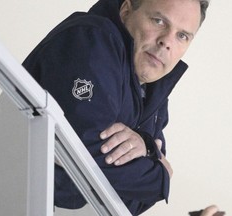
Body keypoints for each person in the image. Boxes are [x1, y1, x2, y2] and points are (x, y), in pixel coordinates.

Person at [22, 0, 209, 215]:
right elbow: (80, 149)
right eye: (159, 21)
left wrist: (147, 147)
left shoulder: (151, 89)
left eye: (182, 36)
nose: (166, 41)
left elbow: (133, 202)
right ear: (126, 11)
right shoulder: (92, 40)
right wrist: (160, 178)